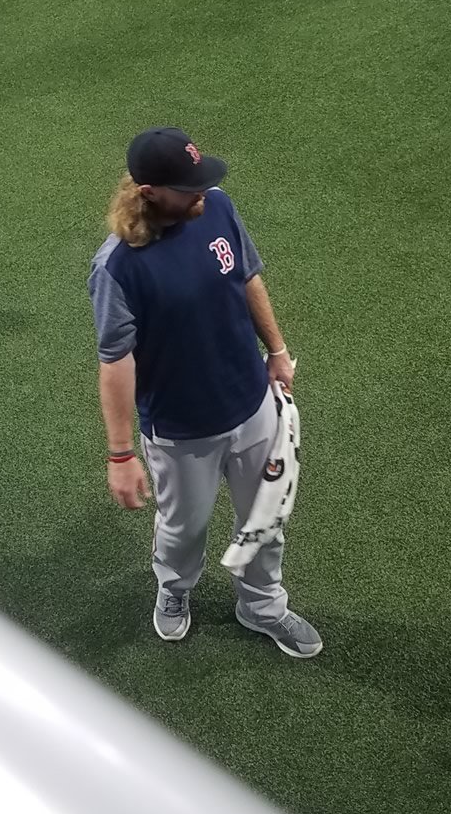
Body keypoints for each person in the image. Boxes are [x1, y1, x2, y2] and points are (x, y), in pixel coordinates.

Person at [91, 127, 318, 660]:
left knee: (264, 518)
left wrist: (278, 351)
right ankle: (174, 592)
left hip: (252, 403)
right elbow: (116, 360)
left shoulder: (214, 207)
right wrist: (121, 454)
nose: (200, 193)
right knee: (182, 528)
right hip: (180, 428)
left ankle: (262, 606)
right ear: (149, 191)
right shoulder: (118, 267)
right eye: (186, 187)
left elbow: (248, 277)